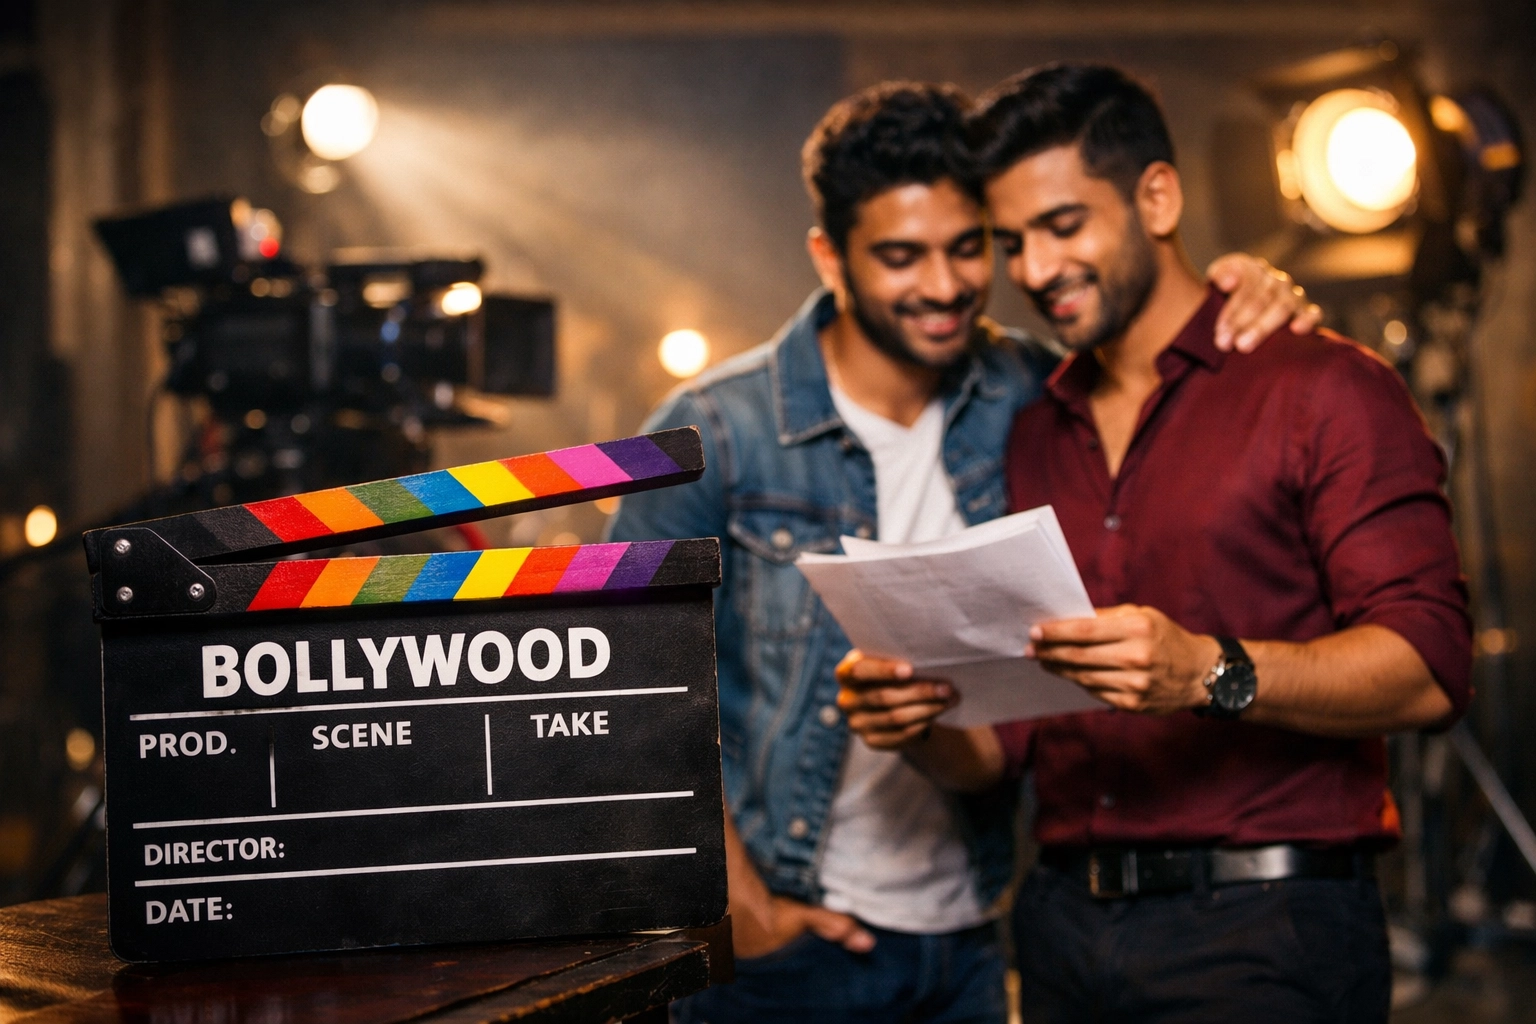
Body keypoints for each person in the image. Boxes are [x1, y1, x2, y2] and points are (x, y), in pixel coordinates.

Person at [610, 80, 1317, 1023]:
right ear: (830, 254)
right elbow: (624, 695)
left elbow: (1158, 331)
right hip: (788, 944)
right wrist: (744, 907)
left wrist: (1248, 283)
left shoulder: (1034, 389)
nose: (942, 287)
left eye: (966, 247)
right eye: (901, 257)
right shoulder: (714, 431)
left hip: (976, 941)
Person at [837, 64, 1472, 1023]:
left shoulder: (1323, 388)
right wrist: (917, 725)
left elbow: (1430, 671)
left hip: (1267, 929)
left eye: (1063, 226)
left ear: (1158, 198)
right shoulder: (1034, 428)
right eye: (1013, 244)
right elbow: (1008, 746)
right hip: (1057, 929)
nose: (1037, 271)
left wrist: (1209, 673)